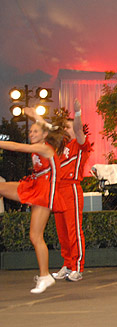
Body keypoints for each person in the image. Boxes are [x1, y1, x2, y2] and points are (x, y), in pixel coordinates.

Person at [26, 99, 92, 282]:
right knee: (62, 232)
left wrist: (77, 114)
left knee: (74, 230)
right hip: (57, 191)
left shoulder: (79, 145)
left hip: (71, 189)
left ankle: (77, 267)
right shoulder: (57, 148)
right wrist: (35, 116)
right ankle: (67, 263)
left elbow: (78, 130)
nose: (66, 131)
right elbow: (49, 129)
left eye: (68, 128)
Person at [0, 120, 66, 293]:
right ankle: (44, 276)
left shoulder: (44, 148)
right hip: (35, 185)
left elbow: (16, 147)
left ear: (44, 135)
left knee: (36, 236)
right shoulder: (40, 145)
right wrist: (35, 116)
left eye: (35, 131)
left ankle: (45, 276)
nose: (31, 134)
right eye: (30, 131)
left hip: (45, 191)